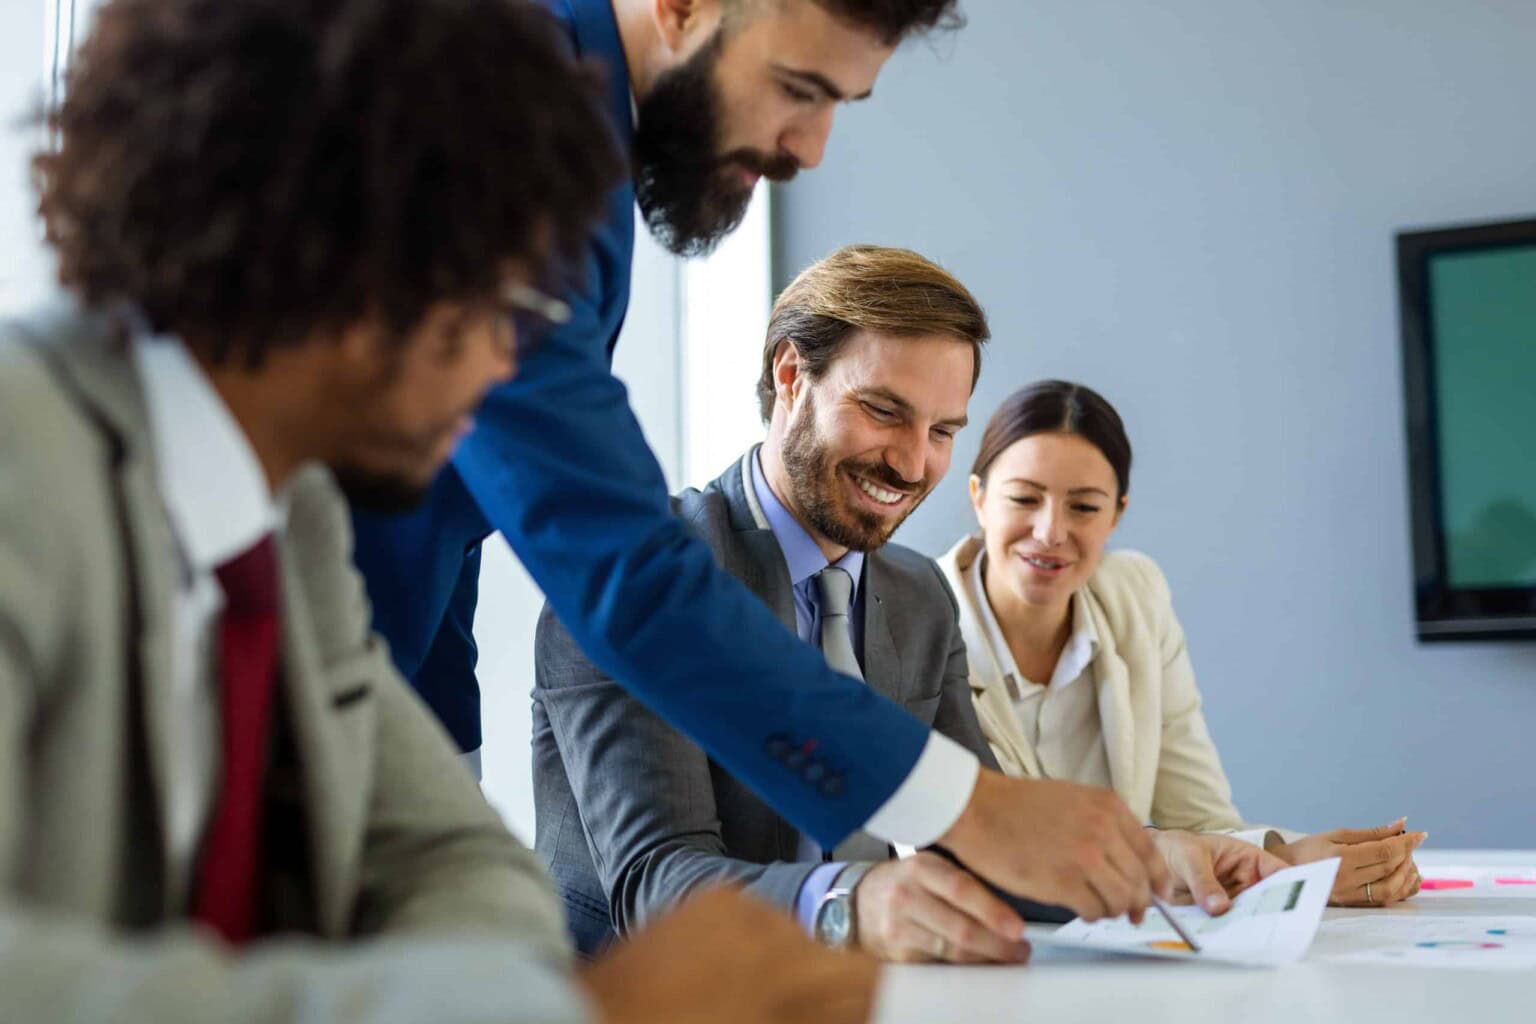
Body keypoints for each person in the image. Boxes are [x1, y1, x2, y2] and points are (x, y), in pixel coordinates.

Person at [0, 1, 879, 1021]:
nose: (510, 365)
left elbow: (454, 857)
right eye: (504, 304)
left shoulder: (296, 539)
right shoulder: (25, 460)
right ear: (338, 242)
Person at [352, 0, 1173, 932]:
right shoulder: (504, 94)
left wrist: (419, 803)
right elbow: (612, 560)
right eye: (797, 89)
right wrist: (963, 806)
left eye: (840, 104)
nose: (811, 148)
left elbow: (445, 503)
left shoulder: (581, 143)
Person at [534, 247, 1285, 963]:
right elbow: (656, 883)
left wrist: (1154, 859)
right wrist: (851, 906)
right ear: (791, 374)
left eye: (943, 431)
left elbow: (983, 841)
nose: (913, 462)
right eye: (884, 412)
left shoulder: (918, 594)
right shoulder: (642, 575)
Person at [941, 380, 1428, 909]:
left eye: (1084, 507)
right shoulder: (920, 622)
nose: (1051, 531)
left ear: (1116, 515)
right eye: (1024, 499)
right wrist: (1282, 870)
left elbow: (1199, 819)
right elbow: (999, 850)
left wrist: (1292, 859)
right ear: (979, 498)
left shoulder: (1135, 596)